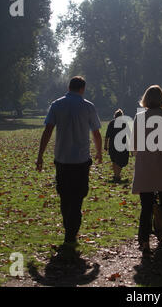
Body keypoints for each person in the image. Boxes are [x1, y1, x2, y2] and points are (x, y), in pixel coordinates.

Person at [36, 76, 103, 247]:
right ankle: (71, 233)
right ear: (82, 88)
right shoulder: (88, 106)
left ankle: (69, 229)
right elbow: (96, 132)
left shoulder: (57, 105)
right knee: (78, 196)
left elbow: (48, 130)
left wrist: (40, 155)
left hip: (62, 158)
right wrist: (99, 152)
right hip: (81, 160)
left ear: (69, 87)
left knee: (65, 196)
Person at [132, 85, 162, 257]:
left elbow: (134, 145)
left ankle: (144, 241)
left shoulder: (139, 117)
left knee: (146, 207)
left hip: (145, 165)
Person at [104, 109, 129, 182]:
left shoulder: (111, 123)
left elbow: (107, 135)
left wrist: (105, 145)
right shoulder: (124, 123)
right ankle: (117, 176)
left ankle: (116, 176)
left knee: (114, 160)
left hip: (112, 145)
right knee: (121, 160)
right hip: (122, 145)